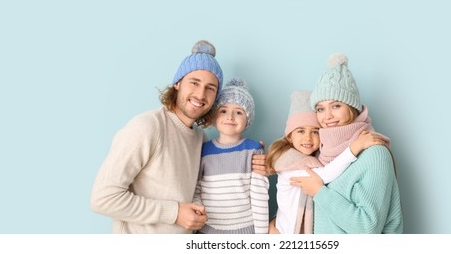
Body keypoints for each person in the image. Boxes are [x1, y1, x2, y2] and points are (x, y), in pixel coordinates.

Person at [90, 40, 266, 233]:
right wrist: (174, 213)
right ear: (177, 83)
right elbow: (103, 198)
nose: (200, 94)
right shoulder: (148, 127)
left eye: (210, 88)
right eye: (194, 82)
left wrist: (262, 161)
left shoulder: (201, 140)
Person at [291, 53, 403, 234]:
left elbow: (368, 228)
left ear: (352, 107)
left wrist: (320, 192)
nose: (327, 116)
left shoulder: (374, 154)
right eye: (320, 109)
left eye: (336, 106)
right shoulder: (321, 155)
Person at [267, 90, 387, 234]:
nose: (308, 138)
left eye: (315, 132)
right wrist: (353, 148)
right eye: (300, 131)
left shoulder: (318, 157)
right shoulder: (292, 162)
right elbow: (325, 174)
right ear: (289, 137)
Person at [192, 78, 269, 234]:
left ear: (248, 119)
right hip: (208, 232)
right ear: (213, 116)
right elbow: (196, 190)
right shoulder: (203, 150)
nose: (230, 117)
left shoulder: (253, 150)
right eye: (223, 110)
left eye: (239, 112)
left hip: (245, 233)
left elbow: (259, 197)